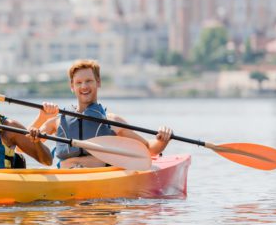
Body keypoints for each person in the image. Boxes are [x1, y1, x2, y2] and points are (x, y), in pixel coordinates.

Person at [29, 59, 173, 169]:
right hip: (67, 178)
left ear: (98, 82)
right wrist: (41, 117)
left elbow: (149, 149)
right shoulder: (58, 121)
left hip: (101, 180)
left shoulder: (112, 121)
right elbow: (22, 145)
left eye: (89, 81)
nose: (84, 86)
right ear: (72, 86)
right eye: (78, 83)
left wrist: (162, 139)